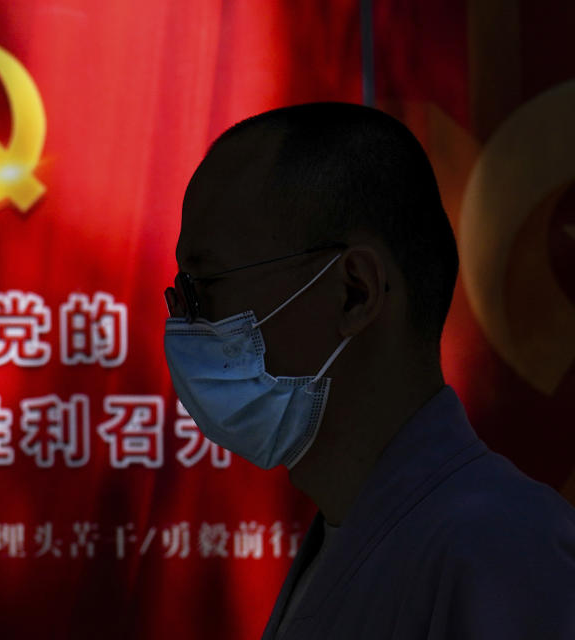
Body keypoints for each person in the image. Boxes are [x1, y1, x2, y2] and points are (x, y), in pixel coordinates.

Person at [163, 102, 575, 639]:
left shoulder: (502, 551)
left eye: (202, 286)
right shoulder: (350, 541)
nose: (185, 324)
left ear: (354, 291)